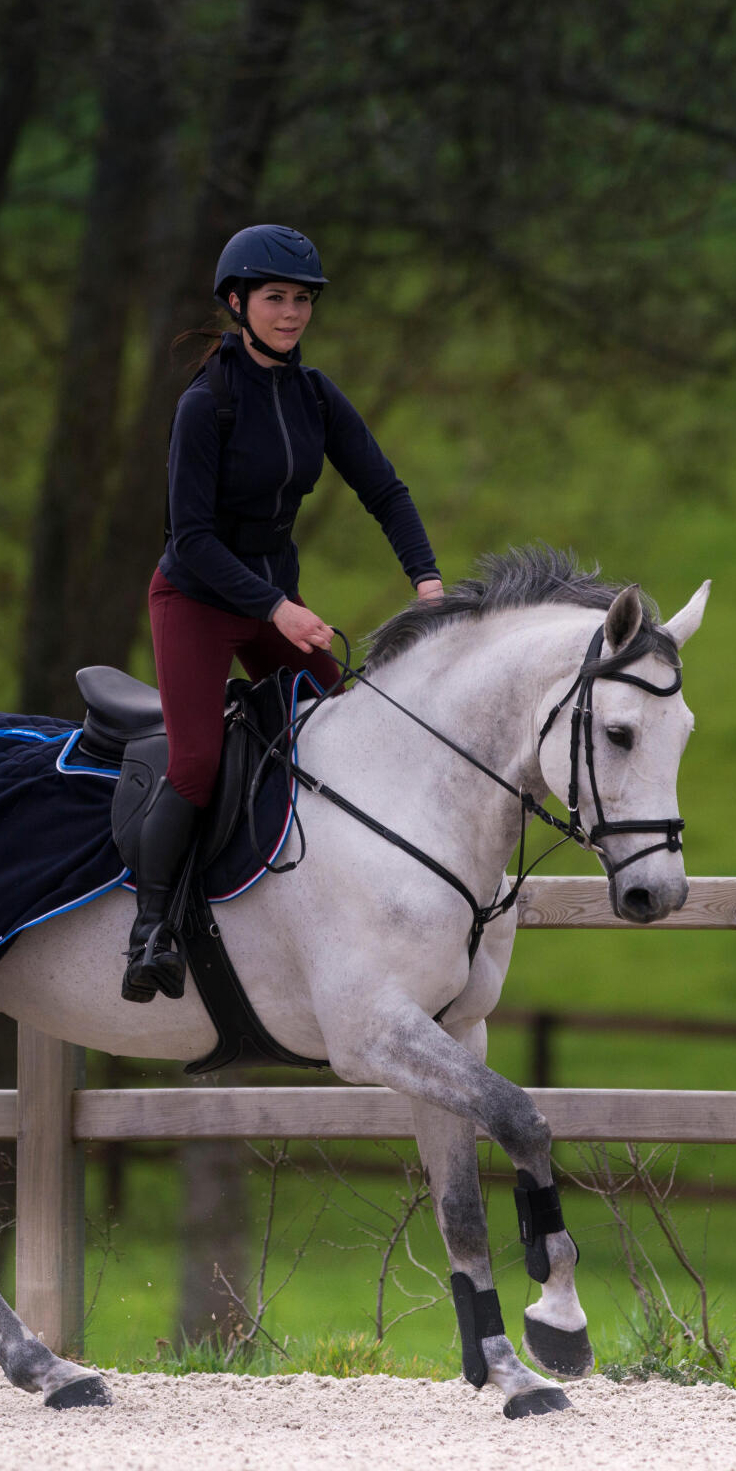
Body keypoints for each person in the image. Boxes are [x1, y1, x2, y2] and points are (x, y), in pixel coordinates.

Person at [122, 223, 446, 1002]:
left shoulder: (315, 395)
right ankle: (151, 931)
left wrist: (429, 582)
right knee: (196, 762)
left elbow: (385, 490)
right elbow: (191, 541)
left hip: (274, 602)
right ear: (237, 303)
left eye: (302, 300)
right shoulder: (205, 404)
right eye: (275, 298)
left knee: (344, 729)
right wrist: (278, 608)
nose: (292, 313)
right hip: (198, 600)